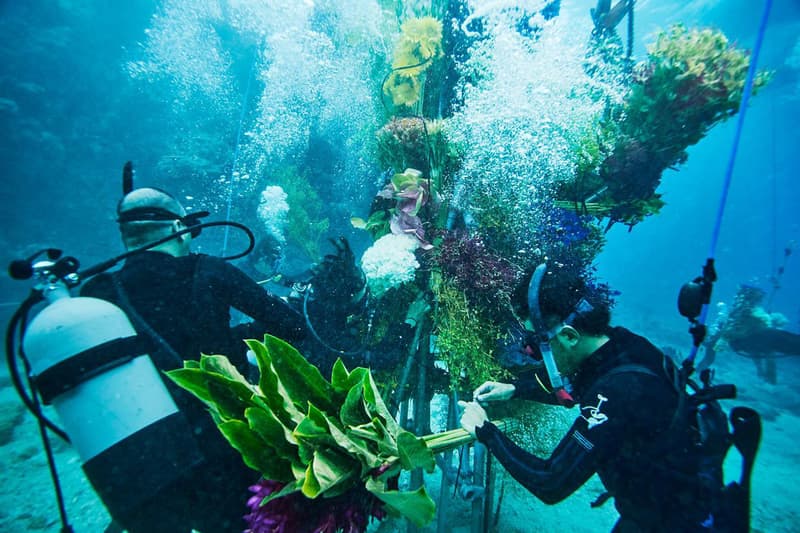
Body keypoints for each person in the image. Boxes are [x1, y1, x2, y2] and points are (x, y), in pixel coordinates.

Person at [80, 186, 307, 533]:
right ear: (177, 228)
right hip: (221, 449)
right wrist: (241, 334)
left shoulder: (98, 293)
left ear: (125, 233)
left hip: (149, 462)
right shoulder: (208, 270)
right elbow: (291, 326)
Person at [459, 261, 725, 532]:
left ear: (569, 336)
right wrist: (515, 388)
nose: (531, 352)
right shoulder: (622, 347)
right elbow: (574, 389)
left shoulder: (618, 391)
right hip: (676, 505)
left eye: (538, 343)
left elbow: (551, 481)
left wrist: (485, 431)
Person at [704, 284, 800, 383]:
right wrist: (768, 371)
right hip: (765, 340)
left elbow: (758, 349)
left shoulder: (738, 318)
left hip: (751, 343)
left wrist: (762, 369)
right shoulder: (748, 319)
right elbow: (765, 347)